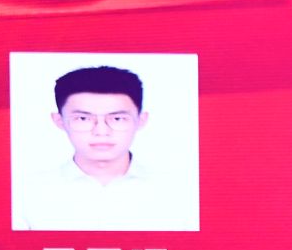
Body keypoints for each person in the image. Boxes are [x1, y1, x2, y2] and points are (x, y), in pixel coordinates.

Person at [14, 64, 198, 231]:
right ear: (59, 121)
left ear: (141, 120)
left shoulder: (180, 193)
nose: (101, 131)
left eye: (117, 118)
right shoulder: (25, 194)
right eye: (83, 118)